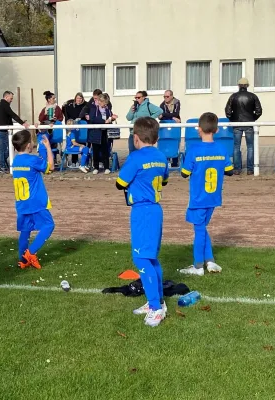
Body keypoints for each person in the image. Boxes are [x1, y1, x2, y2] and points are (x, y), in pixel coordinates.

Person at [115, 117, 169, 327]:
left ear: (136, 138)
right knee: (151, 257)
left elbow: (120, 183)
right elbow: (164, 180)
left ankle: (156, 308)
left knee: (141, 259)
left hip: (142, 211)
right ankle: (155, 301)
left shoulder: (136, 157)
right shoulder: (162, 157)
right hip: (155, 209)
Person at [179, 113, 234, 276]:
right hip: (214, 197)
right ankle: (209, 261)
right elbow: (230, 171)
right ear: (216, 130)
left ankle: (197, 266)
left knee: (199, 230)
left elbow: (184, 173)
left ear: (199, 130)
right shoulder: (221, 149)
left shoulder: (194, 149)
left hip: (198, 198)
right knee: (202, 227)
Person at [12, 130, 55, 270]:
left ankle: (22, 260)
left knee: (25, 231)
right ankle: (30, 254)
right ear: (29, 145)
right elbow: (51, 167)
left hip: (21, 203)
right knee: (49, 225)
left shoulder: (15, 161)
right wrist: (48, 147)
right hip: (36, 202)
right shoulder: (32, 160)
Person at [225, 78, 263, 175]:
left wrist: (233, 119)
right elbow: (259, 111)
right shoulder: (253, 96)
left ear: (238, 85)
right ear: (247, 85)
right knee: (250, 146)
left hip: (237, 124)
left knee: (236, 146)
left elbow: (228, 111)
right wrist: (252, 118)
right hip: (249, 123)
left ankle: (237, 169)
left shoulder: (233, 96)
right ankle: (250, 169)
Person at [0, 91, 30, 173]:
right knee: (4, 148)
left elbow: (9, 117)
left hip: (3, 130)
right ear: (6, 97)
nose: (11, 100)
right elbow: (12, 114)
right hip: (2, 130)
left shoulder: (2, 105)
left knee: (7, 148)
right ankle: (2, 165)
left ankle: (3, 164)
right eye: (11, 98)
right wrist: (22, 123)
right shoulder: (4, 105)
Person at [87, 93, 117, 175]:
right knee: (96, 150)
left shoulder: (107, 109)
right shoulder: (94, 108)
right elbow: (92, 119)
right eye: (104, 102)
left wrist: (112, 118)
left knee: (105, 150)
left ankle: (106, 167)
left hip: (105, 132)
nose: (105, 104)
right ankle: (96, 167)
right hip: (95, 132)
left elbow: (109, 118)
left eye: (106, 102)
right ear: (100, 101)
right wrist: (104, 121)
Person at [62, 92, 87, 165]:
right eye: (77, 98)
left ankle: (83, 161)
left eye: (80, 98)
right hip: (73, 127)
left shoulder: (85, 106)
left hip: (81, 128)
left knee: (82, 141)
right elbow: (65, 112)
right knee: (74, 142)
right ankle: (74, 161)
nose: (79, 100)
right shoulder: (71, 106)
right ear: (75, 98)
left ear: (82, 99)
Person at [159, 90, 181, 167]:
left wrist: (164, 115)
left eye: (167, 96)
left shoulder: (176, 102)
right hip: (166, 126)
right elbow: (161, 117)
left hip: (175, 126)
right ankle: (165, 162)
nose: (165, 98)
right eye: (164, 96)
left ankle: (175, 162)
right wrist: (172, 117)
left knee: (175, 141)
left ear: (171, 96)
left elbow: (176, 113)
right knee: (165, 142)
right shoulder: (162, 105)